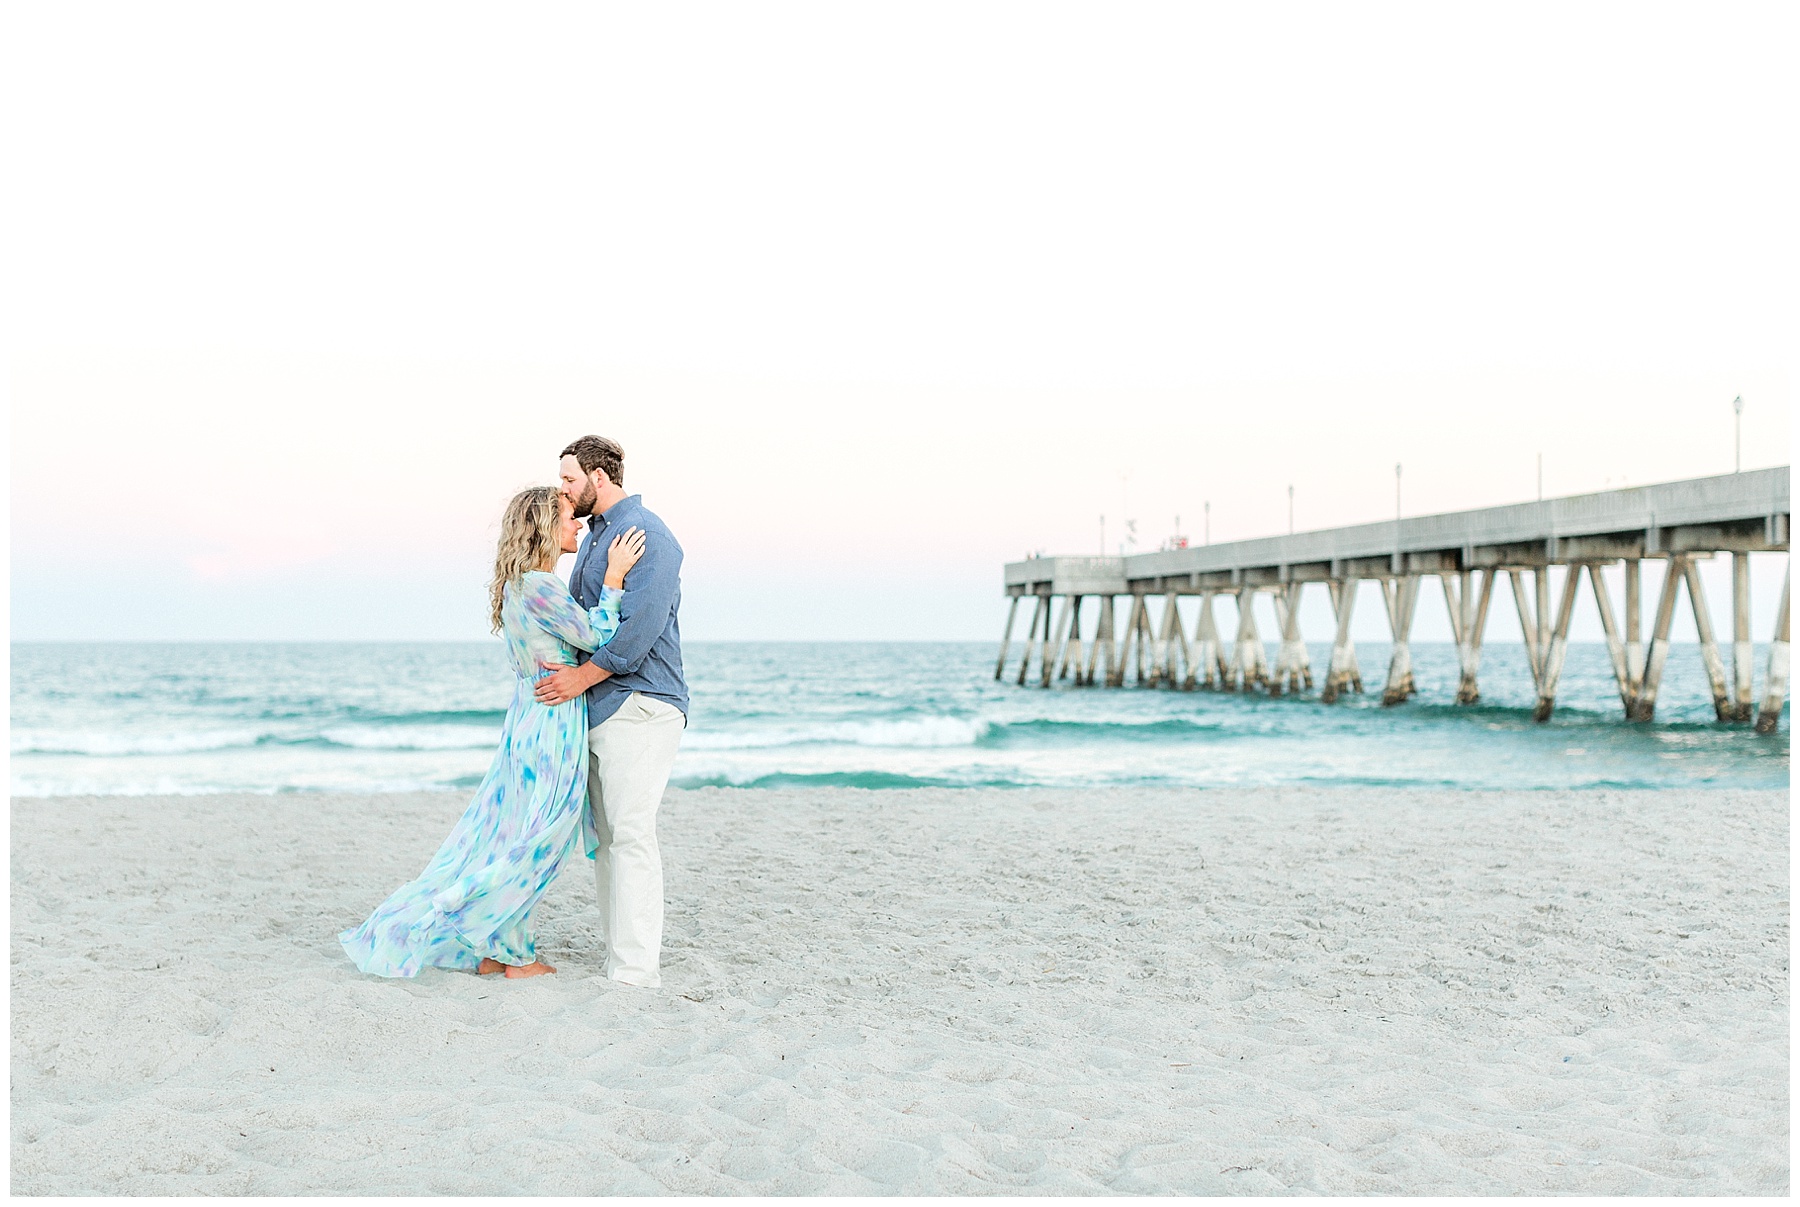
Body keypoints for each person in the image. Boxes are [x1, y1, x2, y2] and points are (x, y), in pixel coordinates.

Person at [339, 487, 646, 979]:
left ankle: (498, 950)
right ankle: (508, 952)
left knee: (517, 836)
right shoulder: (542, 586)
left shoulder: (517, 587)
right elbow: (596, 637)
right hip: (551, 724)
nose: (578, 526)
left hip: (527, 719)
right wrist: (613, 578)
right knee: (538, 841)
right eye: (569, 517)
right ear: (546, 527)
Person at [534, 435, 687, 989]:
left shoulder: (648, 535)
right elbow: (584, 623)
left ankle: (636, 972)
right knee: (606, 841)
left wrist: (579, 677)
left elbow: (637, 633)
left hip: (642, 704)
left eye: (569, 479)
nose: (563, 490)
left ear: (599, 478)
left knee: (631, 835)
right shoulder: (596, 540)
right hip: (599, 707)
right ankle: (620, 960)